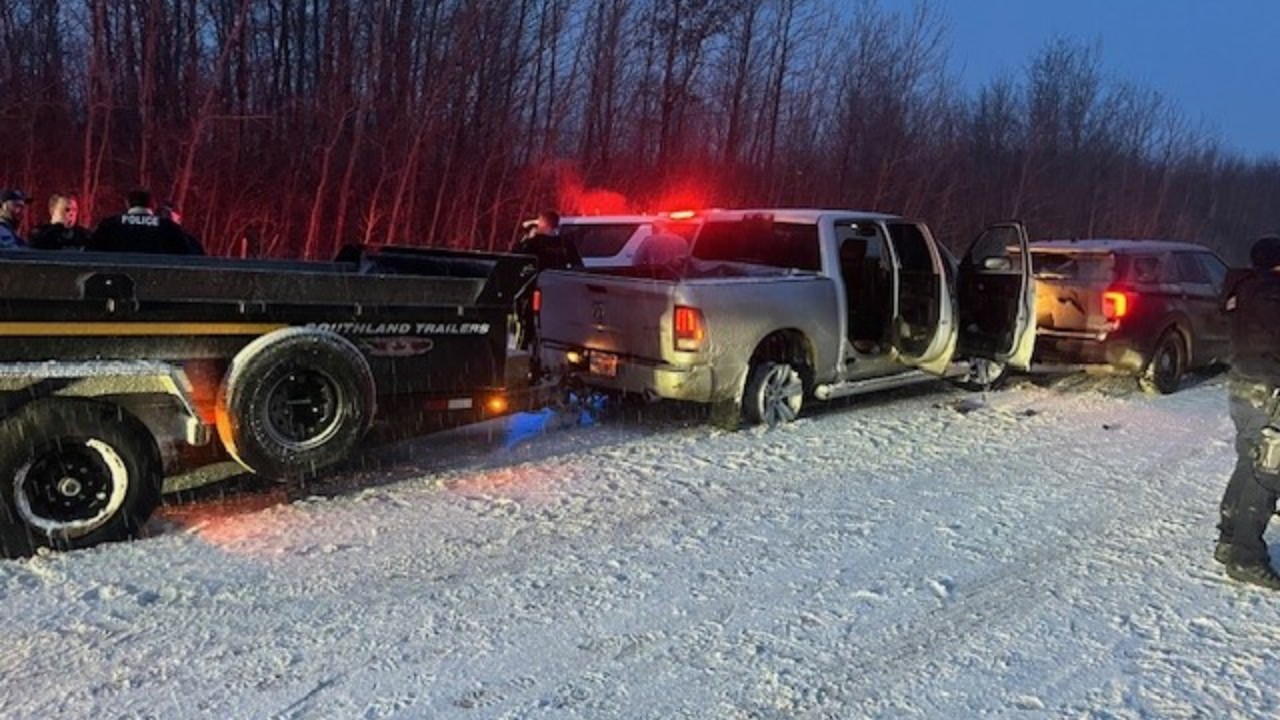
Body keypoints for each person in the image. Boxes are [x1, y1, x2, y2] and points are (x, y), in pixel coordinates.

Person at [1215, 235, 1280, 590]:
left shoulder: (1242, 290)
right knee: (1268, 473)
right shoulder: (1272, 294)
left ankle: (1229, 538)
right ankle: (1246, 556)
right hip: (1270, 389)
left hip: (1241, 384)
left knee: (1248, 462)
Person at [87, 188, 202, 255]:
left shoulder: (110, 225)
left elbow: (90, 254)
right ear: (153, 205)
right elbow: (190, 255)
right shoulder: (168, 227)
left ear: (128, 204)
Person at [511, 210, 583, 271]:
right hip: (560, 282)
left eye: (540, 221)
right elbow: (578, 265)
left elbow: (516, 254)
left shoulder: (535, 242)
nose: (538, 224)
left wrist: (527, 237)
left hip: (540, 282)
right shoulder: (566, 243)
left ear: (544, 223)